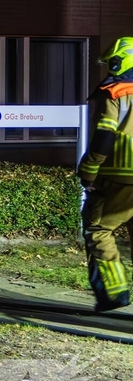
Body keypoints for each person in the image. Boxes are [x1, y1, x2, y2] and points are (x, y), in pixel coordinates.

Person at [78, 36, 133, 312]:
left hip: (119, 176)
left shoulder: (115, 93)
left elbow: (104, 137)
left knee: (99, 228)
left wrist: (87, 170)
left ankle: (114, 294)